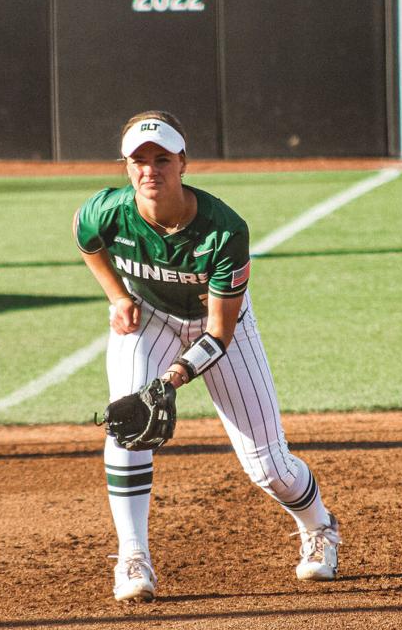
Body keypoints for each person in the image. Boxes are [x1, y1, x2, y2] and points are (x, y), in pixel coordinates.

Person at [74, 110, 341, 603]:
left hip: (220, 327)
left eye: (161, 159)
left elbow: (218, 332)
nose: (149, 169)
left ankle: (319, 526)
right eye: (139, 160)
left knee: (269, 468)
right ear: (126, 167)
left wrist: (172, 379)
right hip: (150, 317)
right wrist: (117, 296)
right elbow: (86, 240)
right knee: (128, 426)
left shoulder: (224, 231)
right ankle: (133, 557)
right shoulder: (107, 210)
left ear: (183, 162)